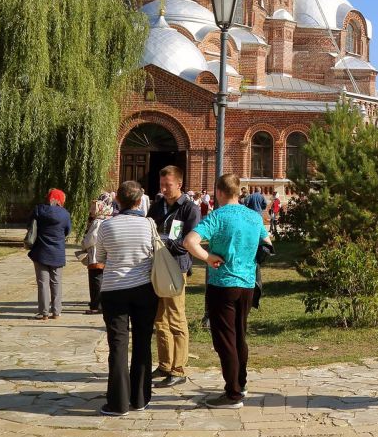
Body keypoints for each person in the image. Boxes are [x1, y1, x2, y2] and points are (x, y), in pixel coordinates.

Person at [184, 173, 266, 409]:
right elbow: (267, 243)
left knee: (225, 340)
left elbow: (190, 241)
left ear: (219, 192)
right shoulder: (254, 216)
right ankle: (241, 382)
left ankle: (233, 393)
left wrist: (208, 257)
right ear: (239, 192)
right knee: (239, 335)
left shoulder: (217, 216)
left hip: (223, 284)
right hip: (248, 284)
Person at [95, 180, 159, 416]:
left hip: (114, 290)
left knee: (118, 345)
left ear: (117, 200)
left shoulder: (106, 226)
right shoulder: (149, 224)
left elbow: (100, 257)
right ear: (139, 201)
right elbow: (154, 252)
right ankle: (140, 398)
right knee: (142, 342)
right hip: (144, 288)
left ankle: (118, 402)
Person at [148, 165, 200, 388]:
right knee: (159, 318)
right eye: (161, 185)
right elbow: (148, 229)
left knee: (176, 317)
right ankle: (165, 364)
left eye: (167, 185)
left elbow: (187, 242)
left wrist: (164, 241)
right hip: (157, 266)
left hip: (176, 268)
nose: (163, 189)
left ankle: (178, 369)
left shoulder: (189, 209)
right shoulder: (157, 205)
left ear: (179, 184)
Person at [28, 189, 71, 320]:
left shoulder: (39, 210)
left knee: (43, 283)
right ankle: (56, 312)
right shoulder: (65, 214)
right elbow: (67, 231)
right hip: (57, 252)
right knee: (56, 282)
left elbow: (30, 225)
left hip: (41, 251)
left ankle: (43, 312)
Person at [80, 198, 112, 314]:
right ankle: (101, 304)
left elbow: (92, 238)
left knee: (95, 281)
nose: (91, 210)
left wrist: (83, 244)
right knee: (102, 280)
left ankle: (96, 306)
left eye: (93, 208)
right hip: (105, 254)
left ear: (100, 209)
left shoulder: (97, 222)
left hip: (96, 255)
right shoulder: (108, 220)